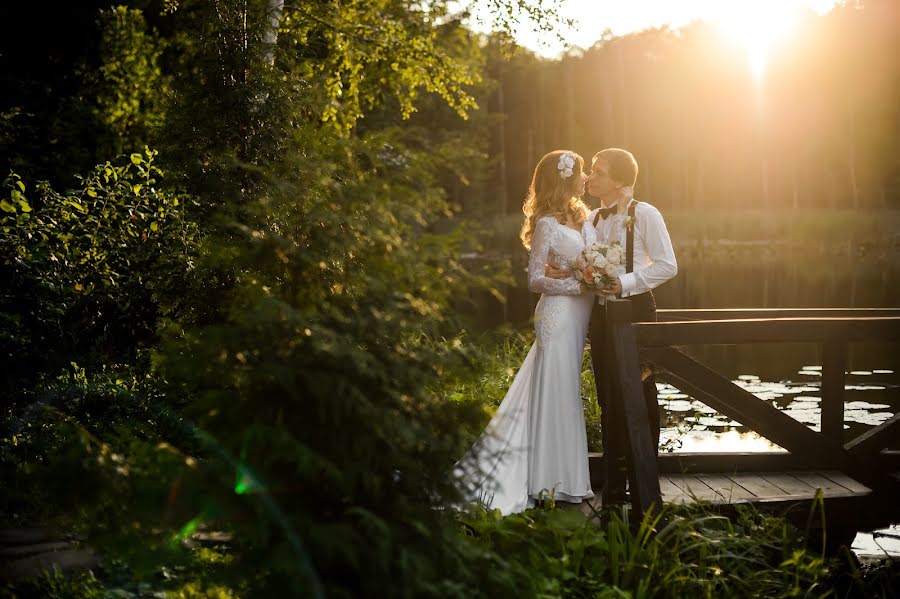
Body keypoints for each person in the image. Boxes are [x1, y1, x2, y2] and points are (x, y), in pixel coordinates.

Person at [454, 150, 597, 515]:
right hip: (558, 314)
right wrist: (577, 285)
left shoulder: (583, 217)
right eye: (581, 173)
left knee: (568, 392)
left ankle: (566, 479)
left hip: (579, 315)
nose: (586, 179)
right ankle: (549, 483)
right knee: (557, 389)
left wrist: (587, 277)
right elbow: (535, 280)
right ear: (565, 177)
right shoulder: (547, 222)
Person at [549, 148, 677, 505]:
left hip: (636, 311)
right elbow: (585, 263)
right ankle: (614, 486)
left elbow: (668, 266)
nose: (590, 177)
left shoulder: (646, 214)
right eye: (591, 170)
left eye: (599, 172)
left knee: (642, 397)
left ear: (620, 180)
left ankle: (645, 483)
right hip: (602, 317)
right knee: (608, 398)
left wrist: (626, 283)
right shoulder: (591, 218)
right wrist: (571, 272)